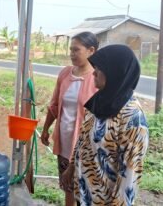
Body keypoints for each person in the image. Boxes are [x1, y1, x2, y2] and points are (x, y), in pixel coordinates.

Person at [62, 44, 149, 205]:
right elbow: (83, 139)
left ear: (115, 72)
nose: (93, 72)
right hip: (83, 194)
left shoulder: (133, 119)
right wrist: (71, 167)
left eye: (99, 68)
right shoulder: (99, 101)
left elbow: (128, 180)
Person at [40, 31, 99, 206]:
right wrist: (45, 129)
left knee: (84, 188)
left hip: (85, 145)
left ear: (91, 50)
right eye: (70, 50)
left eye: (76, 50)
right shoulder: (65, 74)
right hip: (65, 141)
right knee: (68, 187)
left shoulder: (97, 78)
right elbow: (54, 106)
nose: (71, 54)